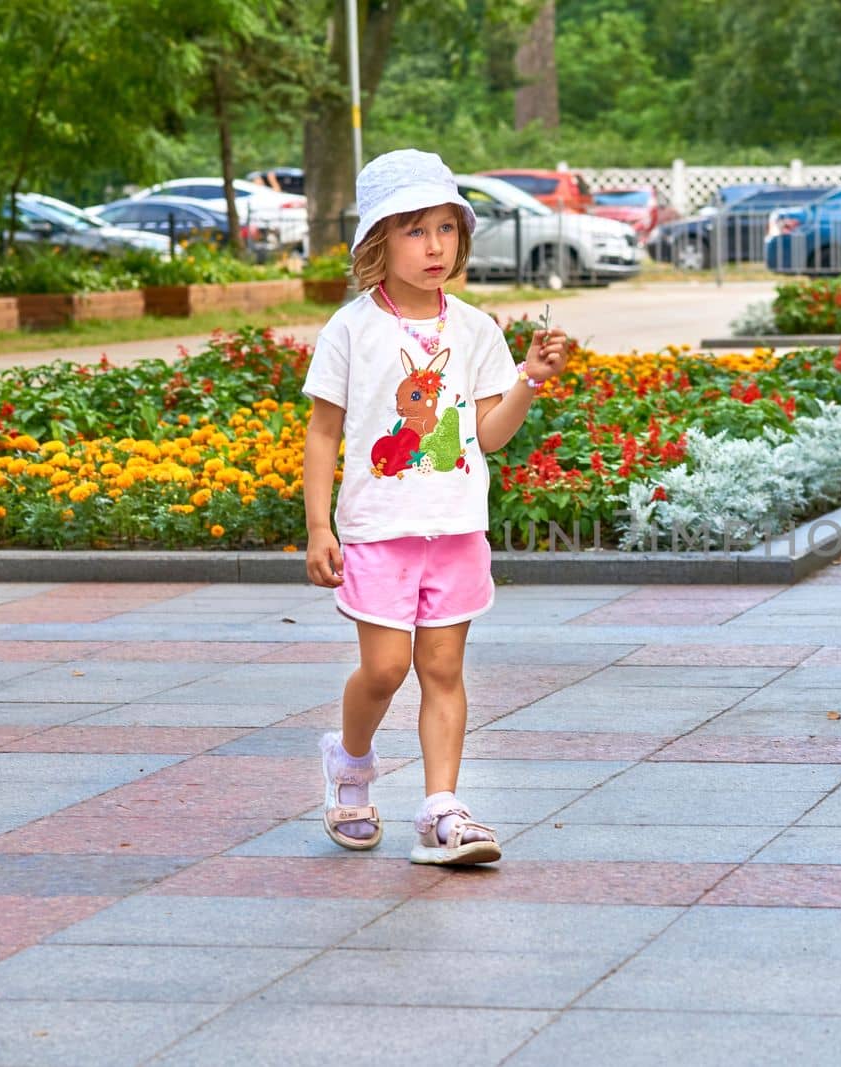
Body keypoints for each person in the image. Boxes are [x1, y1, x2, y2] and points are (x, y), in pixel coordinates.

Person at [301, 148, 569, 866]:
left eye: (446, 229)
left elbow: (486, 433)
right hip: (379, 531)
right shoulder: (352, 329)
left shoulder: (476, 329)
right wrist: (317, 526)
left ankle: (442, 809)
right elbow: (323, 431)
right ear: (377, 243)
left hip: (454, 528)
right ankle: (351, 762)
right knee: (385, 669)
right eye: (415, 230)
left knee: (443, 669)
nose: (434, 247)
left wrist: (528, 380)